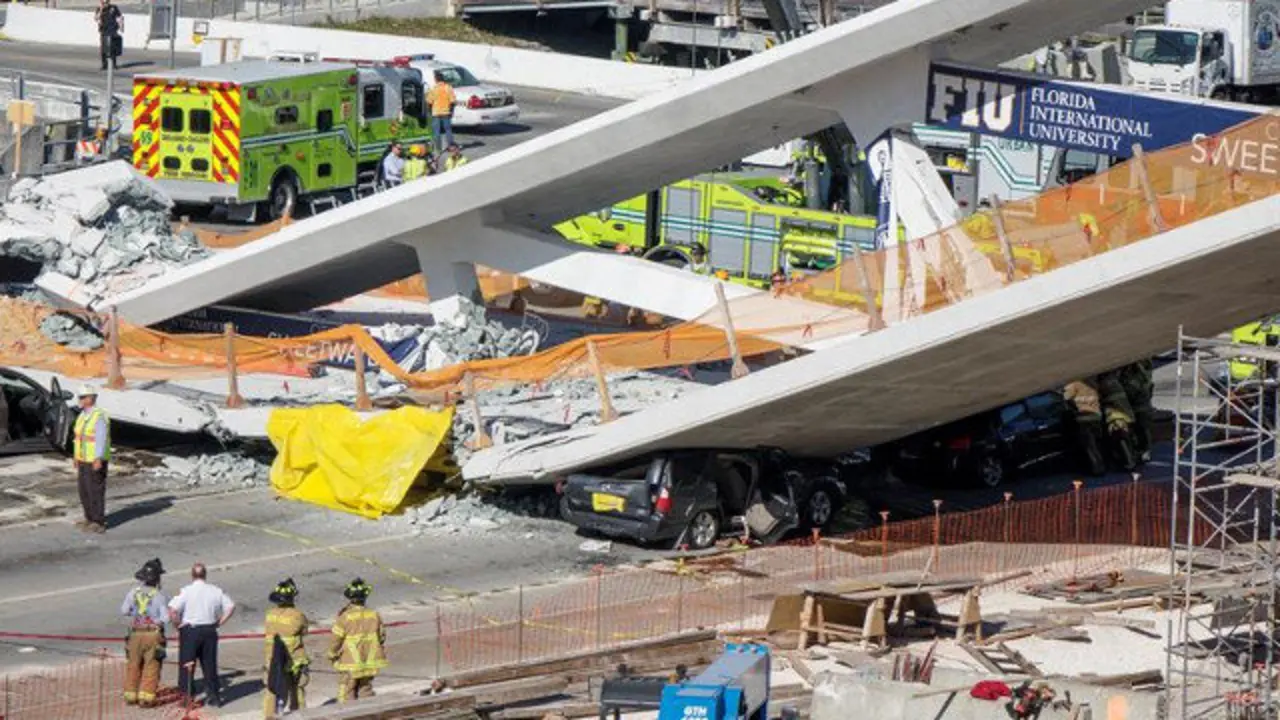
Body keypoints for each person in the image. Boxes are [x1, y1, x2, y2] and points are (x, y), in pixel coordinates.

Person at [169, 563, 235, 708]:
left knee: (187, 666)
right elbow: (230, 606)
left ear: (192, 575)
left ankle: (187, 698)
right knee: (210, 665)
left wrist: (178, 625)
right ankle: (214, 697)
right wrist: (219, 622)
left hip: (190, 631)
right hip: (209, 631)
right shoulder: (215, 591)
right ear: (205, 575)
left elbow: (173, 610)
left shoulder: (186, 591)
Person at [328, 578, 387, 703]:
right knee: (365, 690)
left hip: (351, 663)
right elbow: (382, 637)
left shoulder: (345, 617)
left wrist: (331, 655)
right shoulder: (374, 615)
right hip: (370, 661)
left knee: (347, 693)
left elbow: (335, 640)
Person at [121, 558, 169, 707]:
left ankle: (130, 695)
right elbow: (165, 618)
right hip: (153, 635)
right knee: (152, 665)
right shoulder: (160, 596)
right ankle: (146, 698)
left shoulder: (133, 592)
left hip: (135, 634)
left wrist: (137, 614)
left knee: (133, 664)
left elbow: (124, 611)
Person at [263, 578, 309, 718]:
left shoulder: (269, 615)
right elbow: (304, 631)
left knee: (271, 691)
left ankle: (269, 717)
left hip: (273, 662)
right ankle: (299, 715)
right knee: (297, 691)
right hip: (294, 661)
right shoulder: (298, 615)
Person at [72, 384, 110, 533]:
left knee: (95, 490)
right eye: (79, 397)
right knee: (84, 490)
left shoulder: (99, 416)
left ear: (91, 398)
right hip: (83, 459)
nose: (80, 400)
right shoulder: (82, 416)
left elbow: (100, 438)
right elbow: (79, 438)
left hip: (94, 459)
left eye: (83, 397)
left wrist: (98, 458)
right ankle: (89, 518)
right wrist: (76, 457)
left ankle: (98, 521)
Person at [1064, 379, 1106, 476]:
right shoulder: (1092, 387)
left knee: (1090, 447)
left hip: (1084, 422)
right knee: (1097, 444)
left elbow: (1067, 400)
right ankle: (1102, 465)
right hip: (1096, 419)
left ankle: (1097, 469)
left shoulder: (1074, 387)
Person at [426, 73, 456, 154]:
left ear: (436, 79)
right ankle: (451, 147)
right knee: (448, 130)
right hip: (446, 112)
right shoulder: (448, 88)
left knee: (437, 132)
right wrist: (451, 111)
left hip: (436, 113)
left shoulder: (433, 89)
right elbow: (453, 101)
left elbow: (429, 102)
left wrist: (429, 112)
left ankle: (438, 149)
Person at [94, 0, 123, 71]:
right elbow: (96, 18)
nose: (106, 3)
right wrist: (101, 9)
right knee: (103, 48)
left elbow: (119, 17)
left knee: (113, 47)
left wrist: (121, 26)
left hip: (113, 29)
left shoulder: (114, 7)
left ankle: (114, 64)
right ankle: (104, 65)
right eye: (104, 2)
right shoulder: (99, 9)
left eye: (107, 2)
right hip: (104, 30)